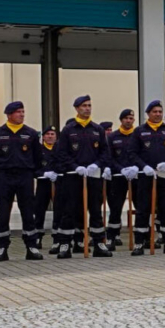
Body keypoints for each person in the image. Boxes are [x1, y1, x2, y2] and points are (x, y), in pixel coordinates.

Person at [0, 99, 46, 262]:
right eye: (18, 112)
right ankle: (1, 247)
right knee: (3, 213)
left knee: (28, 212)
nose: (22, 115)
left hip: (25, 176)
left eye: (23, 112)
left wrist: (32, 171)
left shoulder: (31, 134)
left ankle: (31, 247)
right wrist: (0, 170)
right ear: (9, 114)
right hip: (5, 176)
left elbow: (38, 157)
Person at [54, 95, 112, 258]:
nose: (87, 108)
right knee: (69, 210)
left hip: (93, 176)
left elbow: (104, 152)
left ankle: (99, 243)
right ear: (77, 109)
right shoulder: (68, 130)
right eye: (84, 106)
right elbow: (62, 153)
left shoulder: (97, 129)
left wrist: (97, 165)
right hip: (73, 176)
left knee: (95, 209)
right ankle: (65, 244)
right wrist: (75, 166)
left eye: (89, 105)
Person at [131, 100, 165, 255]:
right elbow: (132, 153)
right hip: (146, 176)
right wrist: (143, 166)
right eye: (155, 112)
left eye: (160, 111)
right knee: (143, 209)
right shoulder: (139, 131)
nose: (158, 114)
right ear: (148, 114)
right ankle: (140, 242)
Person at [105, 108, 139, 251]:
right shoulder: (113, 137)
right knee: (115, 208)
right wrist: (120, 169)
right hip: (118, 176)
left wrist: (136, 168)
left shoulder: (138, 135)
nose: (128, 121)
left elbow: (141, 154)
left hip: (135, 175)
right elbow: (109, 157)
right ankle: (112, 237)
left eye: (131, 119)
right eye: (126, 118)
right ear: (121, 120)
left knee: (141, 207)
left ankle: (142, 238)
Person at [33, 124, 60, 244]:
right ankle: (38, 236)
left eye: (52, 134)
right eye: (47, 134)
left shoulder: (60, 149)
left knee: (59, 210)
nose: (50, 136)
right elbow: (33, 168)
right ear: (43, 137)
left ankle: (57, 237)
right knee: (39, 210)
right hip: (43, 184)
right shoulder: (38, 150)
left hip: (57, 184)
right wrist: (44, 174)